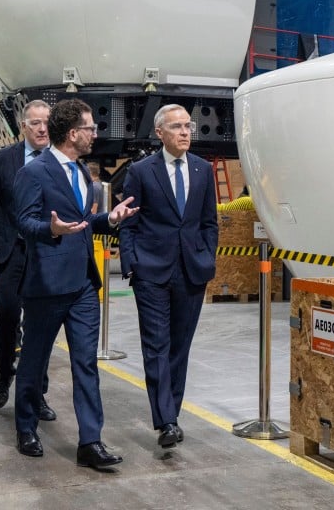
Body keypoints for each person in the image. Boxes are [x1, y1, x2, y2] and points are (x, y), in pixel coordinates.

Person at [13, 98, 138, 469]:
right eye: (90, 128)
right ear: (72, 134)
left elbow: (83, 223)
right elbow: (24, 223)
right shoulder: (34, 173)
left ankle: (90, 441)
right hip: (47, 284)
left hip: (84, 284)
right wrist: (50, 229)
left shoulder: (83, 172)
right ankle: (26, 428)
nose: (94, 135)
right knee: (35, 361)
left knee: (86, 363)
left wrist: (110, 220)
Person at [119, 104, 218, 449]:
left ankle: (170, 413)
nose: (185, 132)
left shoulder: (203, 170)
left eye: (188, 126)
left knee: (180, 347)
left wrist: (207, 258)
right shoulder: (141, 171)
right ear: (160, 133)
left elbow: (209, 223)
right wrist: (132, 264)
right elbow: (128, 224)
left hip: (191, 271)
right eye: (177, 127)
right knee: (156, 345)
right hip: (151, 272)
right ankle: (167, 421)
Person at [0, 100, 56, 420]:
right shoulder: (4, 159)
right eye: (34, 122)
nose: (41, 128)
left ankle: (37, 390)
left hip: (45, 252)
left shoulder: (59, 160)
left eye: (46, 122)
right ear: (23, 126)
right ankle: (5, 373)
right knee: (6, 317)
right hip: (10, 251)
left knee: (42, 322)